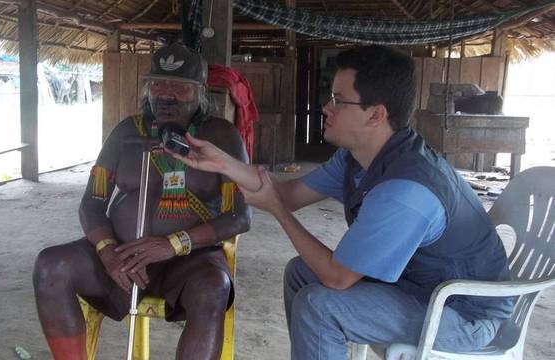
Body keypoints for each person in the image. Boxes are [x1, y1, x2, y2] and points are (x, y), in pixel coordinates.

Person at [173, 45, 514, 359]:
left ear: (375, 115)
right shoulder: (359, 157)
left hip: (464, 314)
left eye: (339, 99)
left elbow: (338, 277)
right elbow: (288, 195)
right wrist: (222, 162)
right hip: (419, 287)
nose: (326, 107)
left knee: (321, 305)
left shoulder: (406, 190)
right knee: (301, 273)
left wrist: (276, 211)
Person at [33, 42, 251, 360]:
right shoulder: (125, 133)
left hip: (190, 260)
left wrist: (173, 243)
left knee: (212, 288)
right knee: (52, 265)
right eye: (157, 84)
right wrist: (107, 251)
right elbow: (91, 205)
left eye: (179, 87)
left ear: (200, 92)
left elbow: (240, 216)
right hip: (121, 258)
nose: (165, 94)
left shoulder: (220, 137)